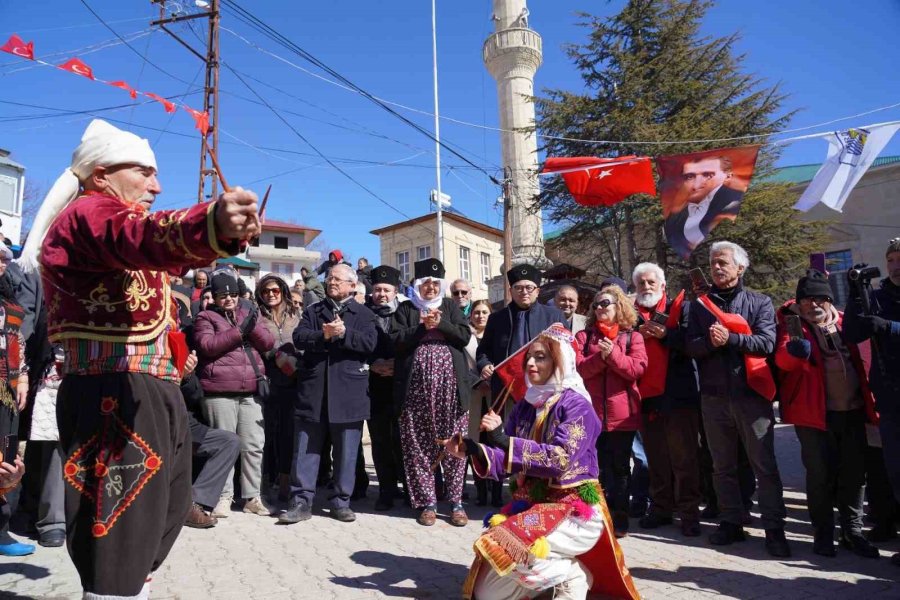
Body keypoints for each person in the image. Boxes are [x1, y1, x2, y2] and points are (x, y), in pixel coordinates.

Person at [30, 118, 259, 599]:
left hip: (145, 394)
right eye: (144, 172)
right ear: (101, 175)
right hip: (113, 392)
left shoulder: (110, 226)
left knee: (156, 524)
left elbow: (170, 253)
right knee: (119, 540)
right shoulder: (89, 216)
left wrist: (226, 232)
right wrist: (210, 221)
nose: (157, 184)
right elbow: (142, 236)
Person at [446, 324, 639, 600]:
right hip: (534, 505)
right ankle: (554, 573)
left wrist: (502, 439)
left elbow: (559, 459)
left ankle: (574, 576)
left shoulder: (577, 405)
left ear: (560, 359)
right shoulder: (525, 405)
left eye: (542, 357)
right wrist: (475, 450)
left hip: (574, 511)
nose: (532, 363)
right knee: (487, 593)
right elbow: (508, 460)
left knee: (506, 543)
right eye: (530, 358)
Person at [685, 241, 790, 557]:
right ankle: (731, 521)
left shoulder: (759, 302)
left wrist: (730, 339)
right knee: (722, 466)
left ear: (740, 268)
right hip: (714, 398)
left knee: (764, 465)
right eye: (713, 263)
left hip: (752, 396)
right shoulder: (700, 306)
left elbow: (766, 343)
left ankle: (774, 528)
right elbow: (690, 347)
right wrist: (710, 342)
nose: (717, 268)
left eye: (723, 263)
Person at [774, 269, 879, 558]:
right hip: (814, 415)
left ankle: (852, 532)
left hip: (854, 411)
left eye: (820, 297)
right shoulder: (793, 324)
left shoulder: (846, 323)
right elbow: (783, 359)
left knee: (854, 475)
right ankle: (823, 533)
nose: (814, 304)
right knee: (819, 475)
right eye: (807, 299)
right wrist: (794, 353)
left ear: (830, 300)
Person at [279, 264, 377, 525]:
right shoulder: (314, 311)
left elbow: (370, 344)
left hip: (349, 392)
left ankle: (341, 501)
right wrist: (323, 334)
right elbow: (299, 338)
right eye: (329, 278)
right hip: (314, 391)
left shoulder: (364, 314)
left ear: (352, 285)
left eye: (338, 279)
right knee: (306, 448)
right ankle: (301, 501)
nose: (331, 282)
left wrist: (345, 334)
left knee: (347, 452)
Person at [391, 258, 472, 527]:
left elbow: (464, 336)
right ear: (416, 285)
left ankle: (457, 503)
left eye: (435, 283)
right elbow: (395, 341)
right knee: (418, 445)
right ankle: (427, 503)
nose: (430, 287)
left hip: (451, 390)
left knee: (455, 443)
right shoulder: (405, 308)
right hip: (415, 391)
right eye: (425, 283)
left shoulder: (449, 306)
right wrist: (421, 328)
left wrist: (441, 325)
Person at [630, 262, 702, 537]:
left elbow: (694, 342)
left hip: (678, 395)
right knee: (656, 458)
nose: (646, 287)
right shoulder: (631, 315)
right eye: (641, 284)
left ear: (663, 286)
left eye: (651, 282)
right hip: (646, 397)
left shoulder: (682, 307)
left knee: (684, 458)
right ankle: (660, 508)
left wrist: (666, 335)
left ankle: (689, 512)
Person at [194, 271, 274, 518]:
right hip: (219, 391)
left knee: (253, 445)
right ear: (215, 297)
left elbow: (268, 343)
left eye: (233, 294)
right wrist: (240, 331)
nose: (228, 299)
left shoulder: (250, 313)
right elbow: (207, 346)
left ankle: (252, 497)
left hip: (250, 390)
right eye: (222, 295)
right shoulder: (205, 317)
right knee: (226, 446)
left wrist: (252, 327)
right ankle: (223, 497)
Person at [843, 236, 900, 567]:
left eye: (899, 258)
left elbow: (881, 328)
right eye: (891, 259)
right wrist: (856, 294)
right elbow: (854, 332)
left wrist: (890, 327)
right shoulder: (877, 297)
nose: (895, 265)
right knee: (897, 472)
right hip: (891, 399)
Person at [576, 285, 647, 537]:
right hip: (591, 414)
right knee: (596, 467)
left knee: (620, 468)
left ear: (619, 307)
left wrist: (613, 354)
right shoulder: (584, 338)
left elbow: (636, 370)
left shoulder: (632, 337)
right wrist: (601, 358)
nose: (599, 308)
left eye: (605, 303)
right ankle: (596, 515)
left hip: (622, 415)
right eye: (596, 305)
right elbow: (580, 370)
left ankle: (619, 516)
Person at [477, 265, 566, 399]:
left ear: (537, 291)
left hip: (544, 388)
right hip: (506, 388)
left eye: (529, 288)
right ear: (510, 291)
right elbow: (484, 351)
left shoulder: (554, 317)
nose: (524, 292)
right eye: (518, 288)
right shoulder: (496, 319)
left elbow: (566, 352)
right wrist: (485, 365)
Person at [254, 274, 300, 503]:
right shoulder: (256, 316)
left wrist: (294, 362)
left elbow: (303, 341)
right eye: (265, 291)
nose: (270, 295)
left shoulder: (296, 314)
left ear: (282, 291)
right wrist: (275, 356)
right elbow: (254, 342)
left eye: (274, 290)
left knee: (288, 433)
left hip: (294, 380)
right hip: (267, 379)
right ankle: (263, 482)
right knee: (266, 433)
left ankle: (285, 481)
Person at [364, 265, 405, 511]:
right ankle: (386, 491)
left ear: (395, 291)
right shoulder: (363, 313)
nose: (381, 294)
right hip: (373, 386)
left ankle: (410, 489)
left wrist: (396, 366)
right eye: (377, 289)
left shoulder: (407, 312)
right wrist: (373, 365)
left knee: (402, 440)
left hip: (401, 387)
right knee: (379, 441)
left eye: (386, 290)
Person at [0, 242, 31, 557]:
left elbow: (17, 342)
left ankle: (0, 530)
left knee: (6, 456)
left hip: (5, 393)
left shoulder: (9, 306)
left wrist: (21, 377)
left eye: (3, 258)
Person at [664, 156, 744, 258]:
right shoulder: (674, 218)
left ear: (728, 176)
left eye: (708, 175)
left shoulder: (732, 205)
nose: (697, 183)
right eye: (689, 177)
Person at [463, 299, 502, 507]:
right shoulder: (465, 339)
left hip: (497, 397)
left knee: (496, 444)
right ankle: (480, 491)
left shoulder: (498, 335)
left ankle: (496, 492)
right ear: (471, 316)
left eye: (484, 312)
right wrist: (477, 382)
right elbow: (461, 366)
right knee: (476, 445)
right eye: (476, 312)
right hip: (474, 397)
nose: (480, 316)